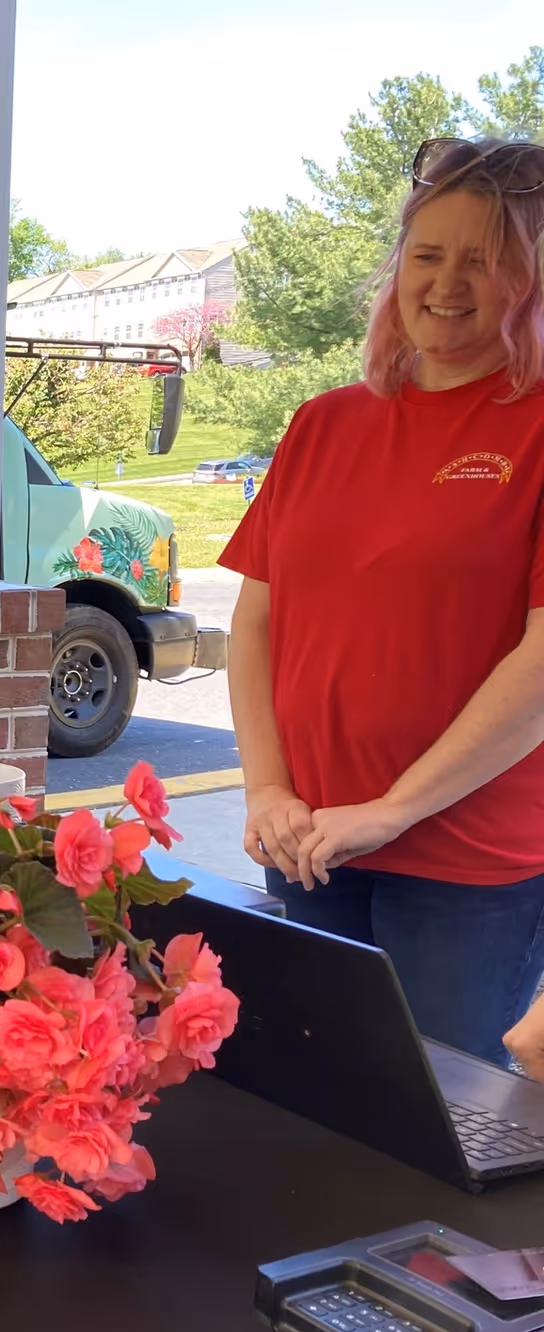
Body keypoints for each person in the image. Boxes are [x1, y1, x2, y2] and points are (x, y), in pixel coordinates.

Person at [222, 136, 544, 1067]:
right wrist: (267, 787)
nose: (446, 282)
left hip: (470, 865)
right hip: (316, 843)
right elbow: (258, 623)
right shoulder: (326, 421)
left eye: (483, 259)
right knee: (321, 1106)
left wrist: (395, 808)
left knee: (444, 1135)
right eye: (427, 253)